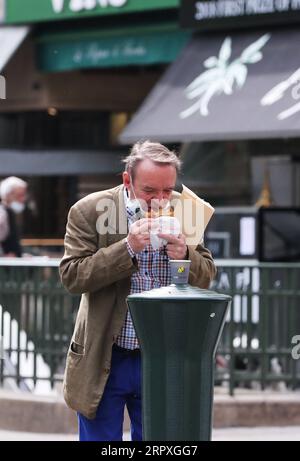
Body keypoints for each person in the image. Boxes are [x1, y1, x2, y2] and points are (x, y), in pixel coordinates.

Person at [59, 140, 216, 441]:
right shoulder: (90, 211)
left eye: (167, 190)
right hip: (106, 354)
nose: (159, 200)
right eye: (149, 191)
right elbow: (71, 276)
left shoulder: (188, 211)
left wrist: (185, 255)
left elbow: (207, 276)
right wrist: (127, 248)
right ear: (127, 180)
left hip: (161, 356)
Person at [0, 176, 27, 257]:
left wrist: (21, 255)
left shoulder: (11, 213)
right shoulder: (2, 214)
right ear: (8, 195)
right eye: (20, 195)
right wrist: (3, 256)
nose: (23, 199)